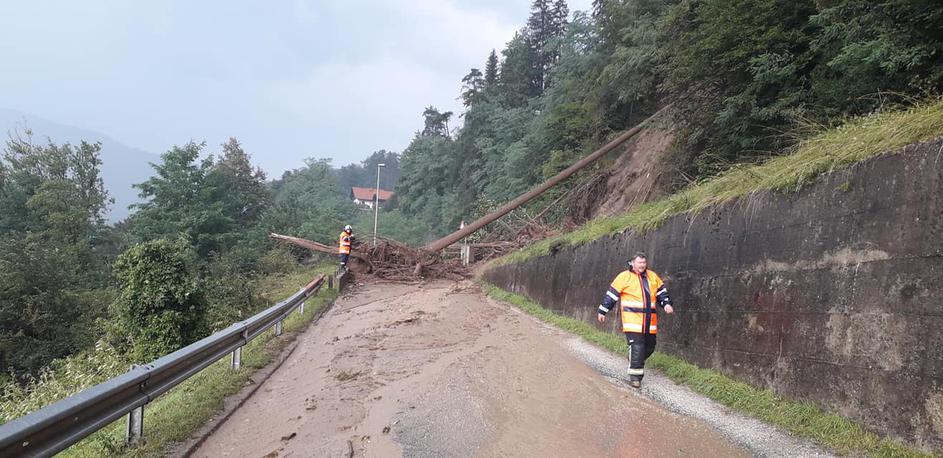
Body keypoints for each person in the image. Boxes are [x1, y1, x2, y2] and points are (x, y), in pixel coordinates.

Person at [596, 252, 674, 388]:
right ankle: (635, 378)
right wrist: (603, 310)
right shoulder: (624, 277)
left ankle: (634, 359)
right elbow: (611, 296)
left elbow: (661, 293)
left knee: (650, 347)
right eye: (639, 263)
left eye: (644, 263)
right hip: (632, 321)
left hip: (650, 322)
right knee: (638, 347)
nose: (642, 265)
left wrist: (666, 304)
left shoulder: (652, 276)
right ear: (632, 263)